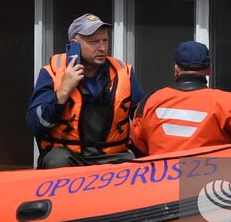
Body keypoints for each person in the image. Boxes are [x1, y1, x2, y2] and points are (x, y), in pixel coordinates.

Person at [26, 13, 146, 169]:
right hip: (68, 156)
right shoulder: (52, 72)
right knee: (57, 160)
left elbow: (142, 122)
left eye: (105, 40)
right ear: (74, 44)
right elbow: (34, 125)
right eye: (94, 42)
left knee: (135, 165)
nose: (102, 47)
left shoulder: (123, 73)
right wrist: (63, 91)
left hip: (113, 157)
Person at [131, 41, 231, 156]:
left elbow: (138, 145)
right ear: (209, 69)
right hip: (206, 186)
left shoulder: (150, 102)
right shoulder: (227, 102)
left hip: (160, 185)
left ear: (176, 68)